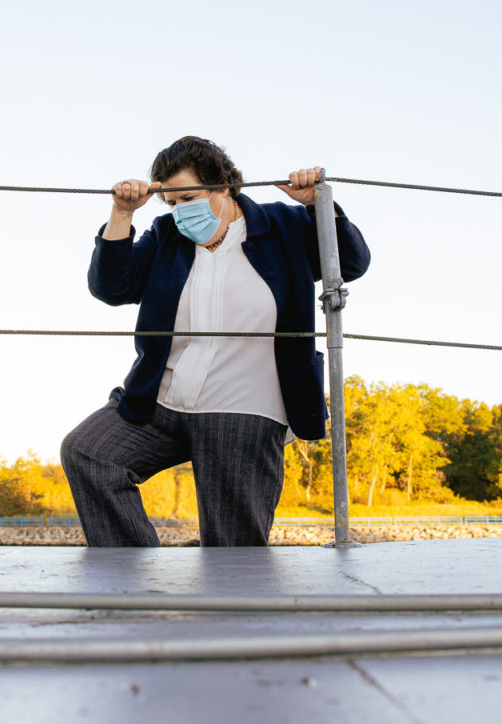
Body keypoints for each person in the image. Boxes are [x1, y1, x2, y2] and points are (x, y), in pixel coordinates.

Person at [60, 135, 370, 546]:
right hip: (161, 401)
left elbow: (351, 262)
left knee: (232, 544)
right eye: (170, 203)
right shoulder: (165, 235)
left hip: (243, 406)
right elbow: (112, 288)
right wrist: (121, 213)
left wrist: (317, 204)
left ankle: (223, 594)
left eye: (188, 196)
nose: (179, 211)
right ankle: (135, 581)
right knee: (89, 453)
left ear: (223, 185)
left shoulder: (283, 225)